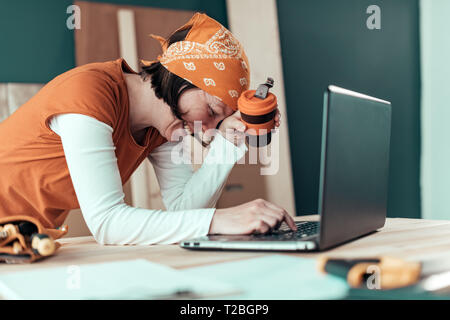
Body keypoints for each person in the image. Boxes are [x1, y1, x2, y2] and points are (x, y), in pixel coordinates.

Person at [0, 13, 296, 245]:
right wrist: (219, 220)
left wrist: (229, 141)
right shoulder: (89, 92)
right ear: (180, 77)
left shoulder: (163, 126)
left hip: (22, 243)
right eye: (210, 112)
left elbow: (183, 211)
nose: (205, 132)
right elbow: (108, 224)